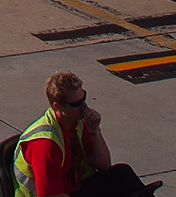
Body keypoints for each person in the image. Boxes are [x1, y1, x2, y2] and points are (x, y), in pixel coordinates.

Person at [12, 70, 160, 197]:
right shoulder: (46, 144)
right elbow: (51, 195)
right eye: (76, 103)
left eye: (84, 98)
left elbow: (103, 165)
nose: (84, 106)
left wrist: (94, 130)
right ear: (58, 107)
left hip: (73, 190)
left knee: (121, 173)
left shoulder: (77, 123)